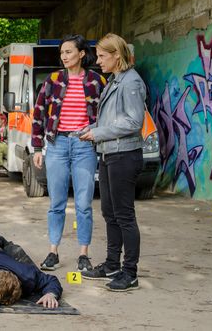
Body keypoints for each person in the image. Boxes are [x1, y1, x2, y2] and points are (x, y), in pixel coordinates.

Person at [31, 35, 107, 272]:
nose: (63, 56)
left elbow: (107, 114)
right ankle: (53, 252)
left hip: (84, 145)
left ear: (81, 54)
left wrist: (99, 136)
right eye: (62, 53)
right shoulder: (53, 80)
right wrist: (37, 147)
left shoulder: (97, 81)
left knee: (84, 204)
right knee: (57, 202)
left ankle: (83, 254)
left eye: (68, 52)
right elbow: (39, 113)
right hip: (57, 145)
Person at [79, 33, 146, 292]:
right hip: (109, 154)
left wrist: (98, 133)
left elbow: (133, 122)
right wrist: (90, 129)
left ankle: (130, 273)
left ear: (117, 55)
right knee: (110, 213)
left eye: (102, 56)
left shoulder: (131, 82)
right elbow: (110, 120)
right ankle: (111, 265)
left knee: (124, 215)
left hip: (124, 156)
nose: (98, 61)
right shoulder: (114, 81)